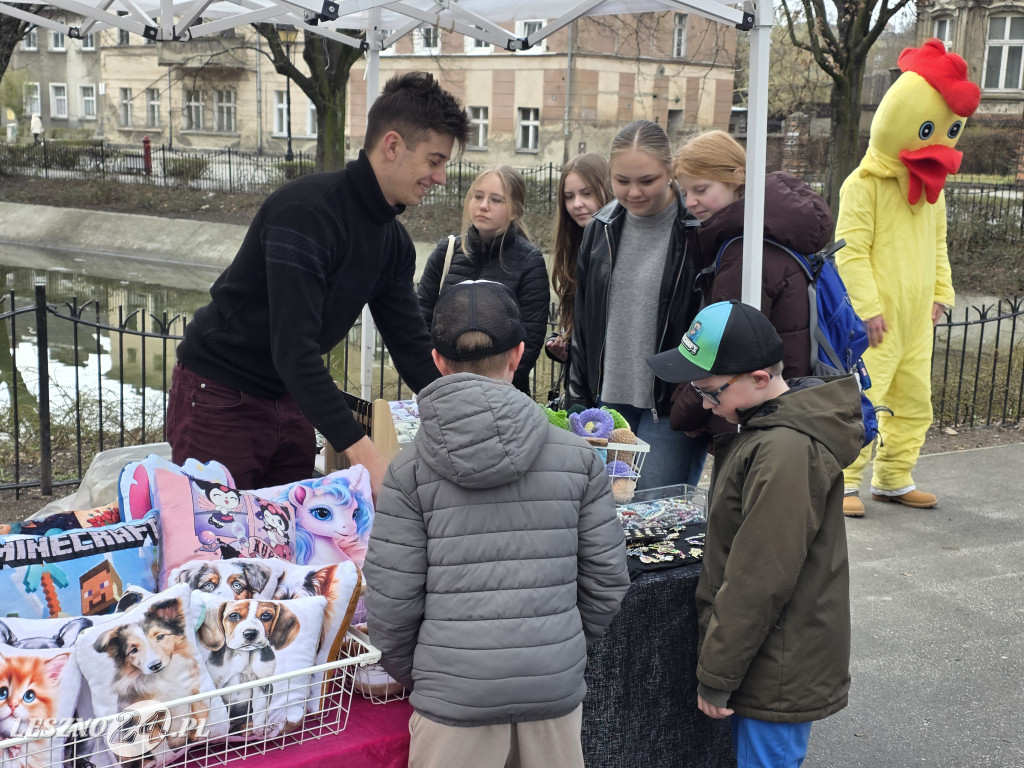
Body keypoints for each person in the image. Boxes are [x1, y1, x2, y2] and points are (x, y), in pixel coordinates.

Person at [364, 280, 630, 768]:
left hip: (452, 697)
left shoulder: (408, 471)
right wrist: (555, 646)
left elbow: (391, 603)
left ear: (437, 360)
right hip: (551, 687)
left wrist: (429, 673)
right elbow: (607, 581)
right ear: (519, 354)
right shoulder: (579, 459)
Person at [166, 72, 470, 494]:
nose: (441, 177)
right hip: (222, 395)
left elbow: (411, 346)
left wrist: (467, 415)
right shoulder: (307, 213)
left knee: (291, 528)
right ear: (393, 145)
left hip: (290, 397)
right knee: (217, 529)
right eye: (434, 161)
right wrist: (366, 456)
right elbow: (293, 350)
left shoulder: (393, 242)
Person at [646, 299, 862, 768]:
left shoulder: (784, 449)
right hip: (764, 654)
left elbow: (759, 577)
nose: (704, 403)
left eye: (710, 392)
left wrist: (717, 675)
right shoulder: (762, 429)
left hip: (779, 663)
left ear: (760, 379)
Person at [835, 40, 980, 517]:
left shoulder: (933, 191)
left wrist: (941, 294)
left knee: (915, 400)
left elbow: (938, 246)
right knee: (864, 398)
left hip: (918, 318)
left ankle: (895, 478)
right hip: (878, 320)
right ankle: (843, 481)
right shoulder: (863, 185)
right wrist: (867, 308)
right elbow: (850, 252)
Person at [569, 119, 707, 490]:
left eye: (647, 180)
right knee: (601, 510)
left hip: (673, 403)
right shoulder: (600, 228)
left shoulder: (697, 228)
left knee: (655, 510)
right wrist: (579, 399)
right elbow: (583, 323)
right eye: (622, 180)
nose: (633, 192)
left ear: (671, 170)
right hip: (607, 400)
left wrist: (696, 397)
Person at [670, 130, 832, 439]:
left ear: (736, 178)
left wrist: (681, 411)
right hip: (787, 402)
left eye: (701, 189)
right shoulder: (771, 232)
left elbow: (720, 347)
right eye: (685, 192)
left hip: (754, 414)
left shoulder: (746, 253)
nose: (690, 202)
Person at [416, 166, 549, 396]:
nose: (483, 205)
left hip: (504, 399)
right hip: (445, 394)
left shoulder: (529, 261)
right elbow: (422, 320)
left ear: (515, 210)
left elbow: (529, 341)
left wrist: (487, 393)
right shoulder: (446, 252)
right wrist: (441, 381)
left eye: (495, 200)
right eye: (478, 196)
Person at [545, 154, 613, 366]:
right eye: (569, 197)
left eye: (587, 193)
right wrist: (566, 343)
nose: (577, 204)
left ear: (606, 190)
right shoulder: (574, 246)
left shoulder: (618, 247)